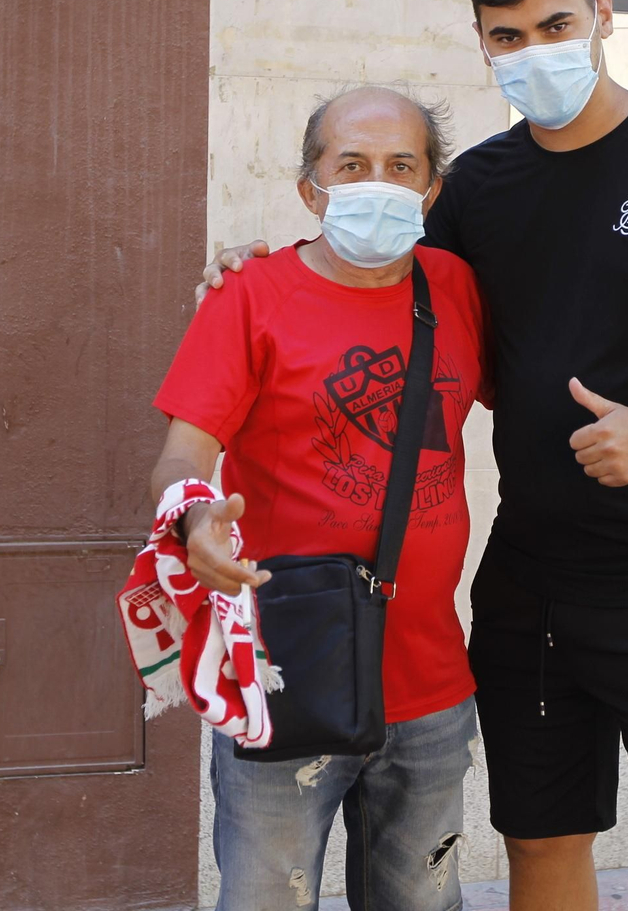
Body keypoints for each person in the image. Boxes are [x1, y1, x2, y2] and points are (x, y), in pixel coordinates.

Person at [200, 0, 628, 911]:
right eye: (507, 35)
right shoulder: (476, 188)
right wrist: (253, 264)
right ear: (484, 44)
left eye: (555, 23)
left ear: (602, 14)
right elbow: (371, 278)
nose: (535, 51)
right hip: (527, 588)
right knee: (538, 846)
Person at [148, 85, 490, 911]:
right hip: (283, 681)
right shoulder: (250, 294)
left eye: (401, 166)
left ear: (431, 189)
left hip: (435, 694)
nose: (379, 182)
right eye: (353, 165)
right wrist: (196, 518)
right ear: (312, 188)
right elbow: (182, 451)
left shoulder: (456, 287)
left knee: (429, 901)